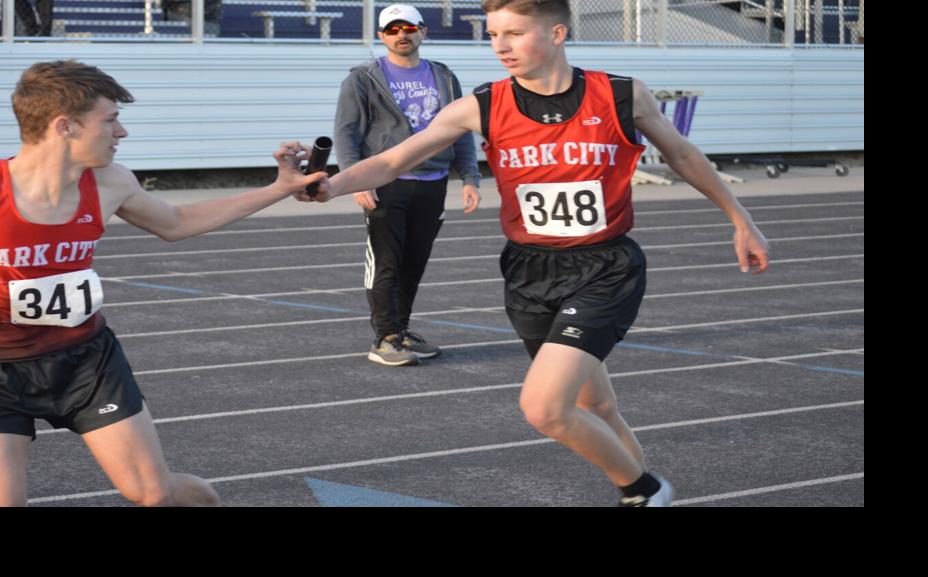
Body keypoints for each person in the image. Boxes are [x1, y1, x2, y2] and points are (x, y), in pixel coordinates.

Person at [303, 0, 770, 506]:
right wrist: (332, 184)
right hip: (529, 272)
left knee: (544, 407)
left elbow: (681, 153)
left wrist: (740, 219)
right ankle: (645, 495)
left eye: (515, 33)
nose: (501, 46)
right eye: (493, 35)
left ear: (557, 33)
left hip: (604, 268)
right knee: (597, 407)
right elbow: (394, 160)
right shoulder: (480, 105)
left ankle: (644, 490)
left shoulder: (621, 94)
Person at [0, 60, 323, 507]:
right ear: (65, 125)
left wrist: (279, 189)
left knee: (155, 494)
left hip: (86, 362)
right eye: (110, 120)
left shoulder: (109, 183)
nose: (121, 132)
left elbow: (176, 222)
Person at [334, 3, 481, 367]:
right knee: (386, 262)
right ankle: (385, 337)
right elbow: (347, 132)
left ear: (423, 32)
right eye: (393, 29)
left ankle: (400, 330)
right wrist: (356, 180)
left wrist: (470, 177)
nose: (402, 34)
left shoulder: (444, 76)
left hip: (433, 183)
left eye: (409, 28)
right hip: (386, 183)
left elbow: (461, 130)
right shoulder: (363, 78)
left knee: (414, 263)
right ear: (381, 36)